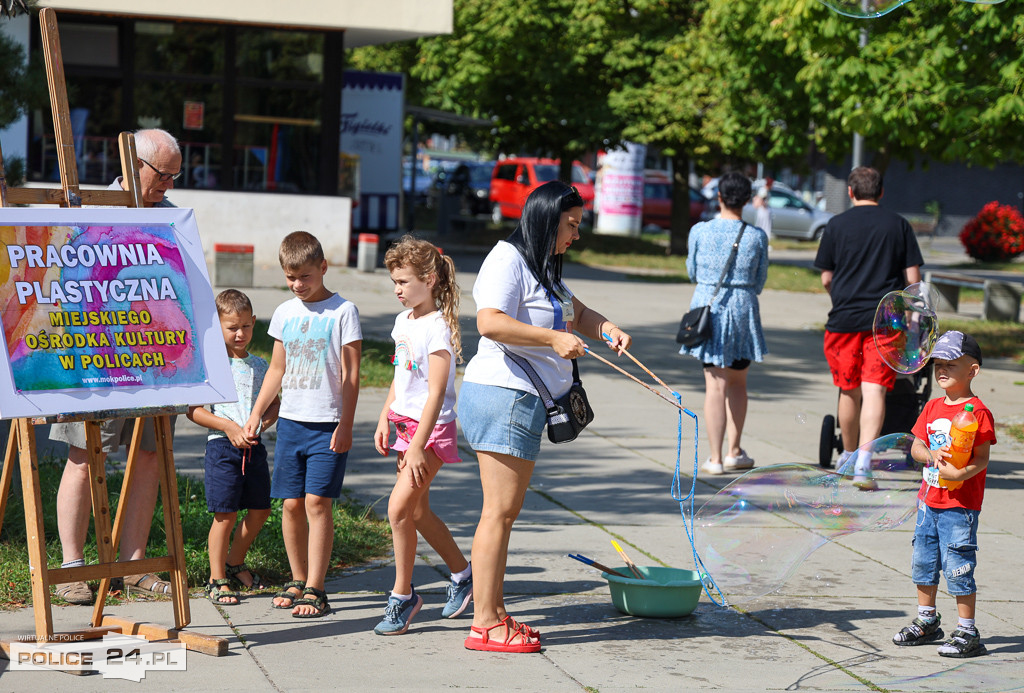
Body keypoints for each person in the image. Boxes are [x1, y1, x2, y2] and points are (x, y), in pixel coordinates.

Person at [459, 181, 632, 653]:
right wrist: (552, 339)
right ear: (545, 219)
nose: (575, 236)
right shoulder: (506, 259)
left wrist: (607, 327)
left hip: (518, 399)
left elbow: (574, 311)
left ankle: (492, 614)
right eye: (571, 225)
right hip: (503, 395)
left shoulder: (543, 265)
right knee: (498, 514)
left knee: (504, 514)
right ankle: (484, 624)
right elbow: (489, 321)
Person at [49, 127, 184, 604]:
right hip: (96, 361)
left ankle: (133, 563)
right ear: (133, 166)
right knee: (86, 457)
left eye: (174, 176)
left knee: (149, 456)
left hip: (153, 359)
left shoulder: (172, 218)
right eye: (162, 175)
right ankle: (72, 566)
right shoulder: (86, 209)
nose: (168, 185)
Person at [243, 231, 362, 618]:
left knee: (317, 504)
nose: (297, 285)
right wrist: (256, 412)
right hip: (292, 422)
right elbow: (276, 369)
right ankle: (297, 578)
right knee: (291, 504)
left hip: (327, 424)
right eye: (290, 278)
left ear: (323, 268)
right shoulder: (284, 312)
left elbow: (352, 375)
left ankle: (317, 587)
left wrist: (345, 424)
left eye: (305, 277)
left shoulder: (343, 311)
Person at [371, 236, 472, 635]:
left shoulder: (438, 328)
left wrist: (416, 446)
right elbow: (402, 379)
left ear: (429, 279)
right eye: (394, 282)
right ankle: (463, 575)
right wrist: (384, 417)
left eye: (403, 282)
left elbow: (435, 393)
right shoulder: (404, 321)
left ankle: (403, 596)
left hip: (430, 433)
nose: (397, 290)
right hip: (404, 427)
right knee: (416, 512)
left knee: (397, 511)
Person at [814, 166, 924, 482]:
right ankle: (864, 462)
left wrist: (842, 297)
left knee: (848, 391)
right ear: (881, 192)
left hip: (844, 321)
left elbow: (826, 278)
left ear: (850, 192)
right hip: (885, 323)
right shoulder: (899, 225)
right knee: (874, 390)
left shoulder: (835, 225)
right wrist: (914, 319)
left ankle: (847, 457)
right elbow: (913, 280)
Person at [895, 330, 995, 658]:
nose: (942, 369)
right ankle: (927, 622)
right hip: (928, 501)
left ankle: (968, 632)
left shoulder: (976, 412)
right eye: (938, 362)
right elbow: (917, 445)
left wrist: (958, 473)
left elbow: (980, 459)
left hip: (959, 505)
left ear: (973, 371)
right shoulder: (933, 406)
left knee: (958, 566)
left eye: (951, 363)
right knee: (923, 562)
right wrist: (931, 457)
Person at [187, 290, 279, 605]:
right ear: (218, 326)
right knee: (224, 515)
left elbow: (273, 406)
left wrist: (260, 426)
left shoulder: (261, 365)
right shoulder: (211, 365)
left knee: (261, 509)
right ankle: (216, 578)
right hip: (222, 449)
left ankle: (234, 560)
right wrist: (229, 428)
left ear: (254, 323)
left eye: (245, 326)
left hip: (254, 449)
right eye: (231, 327)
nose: (240, 334)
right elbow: (195, 411)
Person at [680, 171, 769, 476]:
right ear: (746, 200)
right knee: (738, 383)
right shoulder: (757, 237)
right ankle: (735, 451)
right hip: (743, 309)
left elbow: (692, 272)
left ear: (719, 197)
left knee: (714, 385)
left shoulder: (700, 232)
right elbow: (759, 281)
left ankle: (715, 457)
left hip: (709, 308)